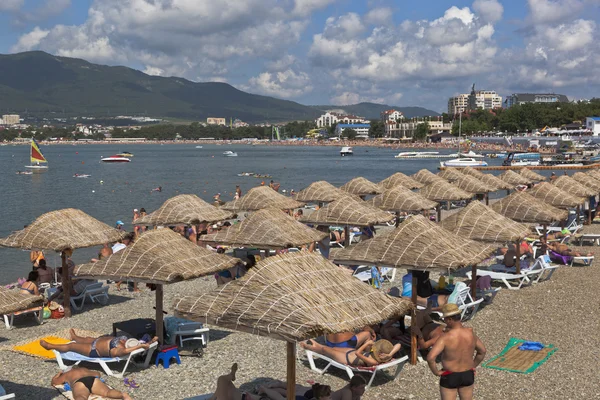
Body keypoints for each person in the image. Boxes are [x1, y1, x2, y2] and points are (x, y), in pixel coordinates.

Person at [426, 304, 486, 400]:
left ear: (450, 319)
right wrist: (473, 366)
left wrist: (436, 372)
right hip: (468, 373)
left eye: (445, 319)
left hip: (450, 374)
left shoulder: (445, 337)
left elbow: (430, 358)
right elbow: (482, 351)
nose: (444, 321)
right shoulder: (470, 333)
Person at [40, 328, 158, 358]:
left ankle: (50, 346)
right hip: (96, 341)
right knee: (86, 338)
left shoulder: (119, 350)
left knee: (72, 346)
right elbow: (144, 343)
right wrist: (151, 341)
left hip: (93, 350)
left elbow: (127, 351)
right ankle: (75, 336)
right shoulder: (125, 341)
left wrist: (141, 346)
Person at [300, 339, 400, 368]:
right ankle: (316, 344)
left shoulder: (373, 361)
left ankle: (308, 347)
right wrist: (390, 354)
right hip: (350, 353)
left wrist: (367, 344)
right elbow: (398, 345)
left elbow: (358, 353)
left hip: (346, 358)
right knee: (333, 347)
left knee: (325, 350)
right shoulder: (383, 355)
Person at [51, 367, 132, 400]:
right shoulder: (85, 369)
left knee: (80, 396)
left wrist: (59, 374)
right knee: (107, 392)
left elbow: (54, 382)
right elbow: (98, 374)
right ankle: (123, 395)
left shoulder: (67, 374)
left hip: (79, 382)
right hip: (93, 380)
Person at [258, 381, 332, 400]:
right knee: (281, 398)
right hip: (300, 398)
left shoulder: (317, 390)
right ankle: (264, 389)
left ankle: (275, 385)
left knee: (293, 389)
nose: (329, 397)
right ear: (321, 397)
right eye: (328, 396)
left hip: (304, 395)